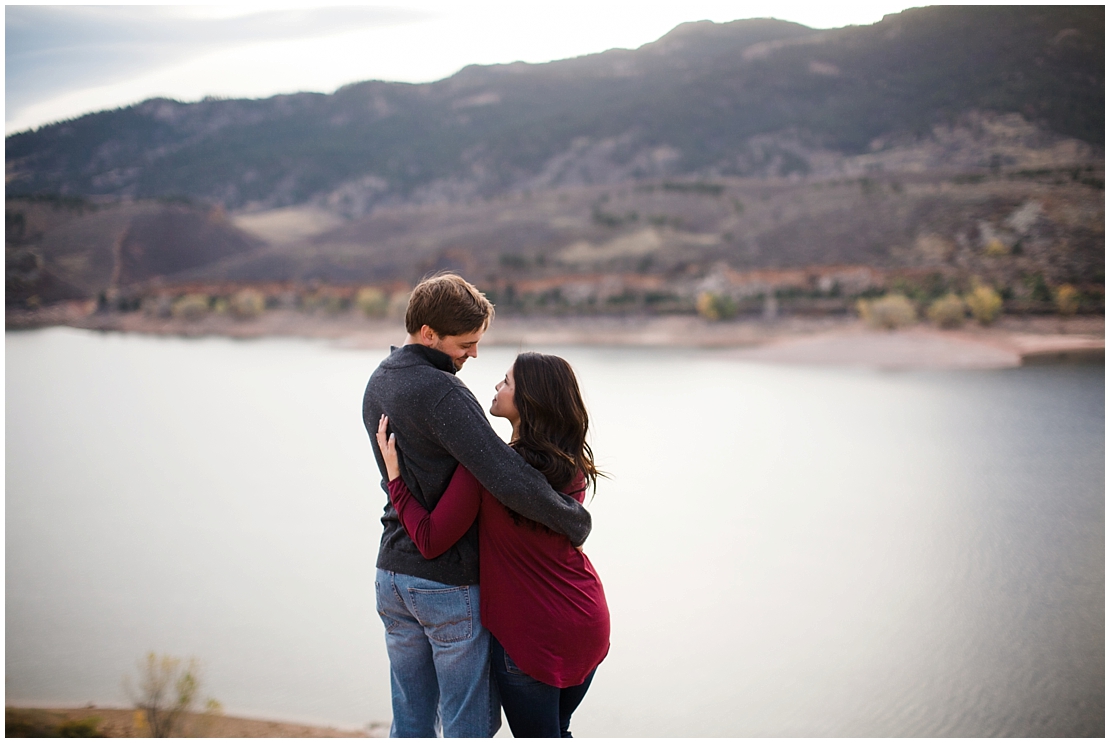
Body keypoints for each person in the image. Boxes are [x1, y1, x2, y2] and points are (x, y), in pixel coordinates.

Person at [362, 273, 592, 738]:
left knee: (410, 720)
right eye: (466, 344)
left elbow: (402, 479)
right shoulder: (445, 393)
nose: (473, 354)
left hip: (392, 576)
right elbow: (503, 473)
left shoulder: (380, 379)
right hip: (444, 583)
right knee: (469, 726)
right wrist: (573, 518)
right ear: (429, 334)